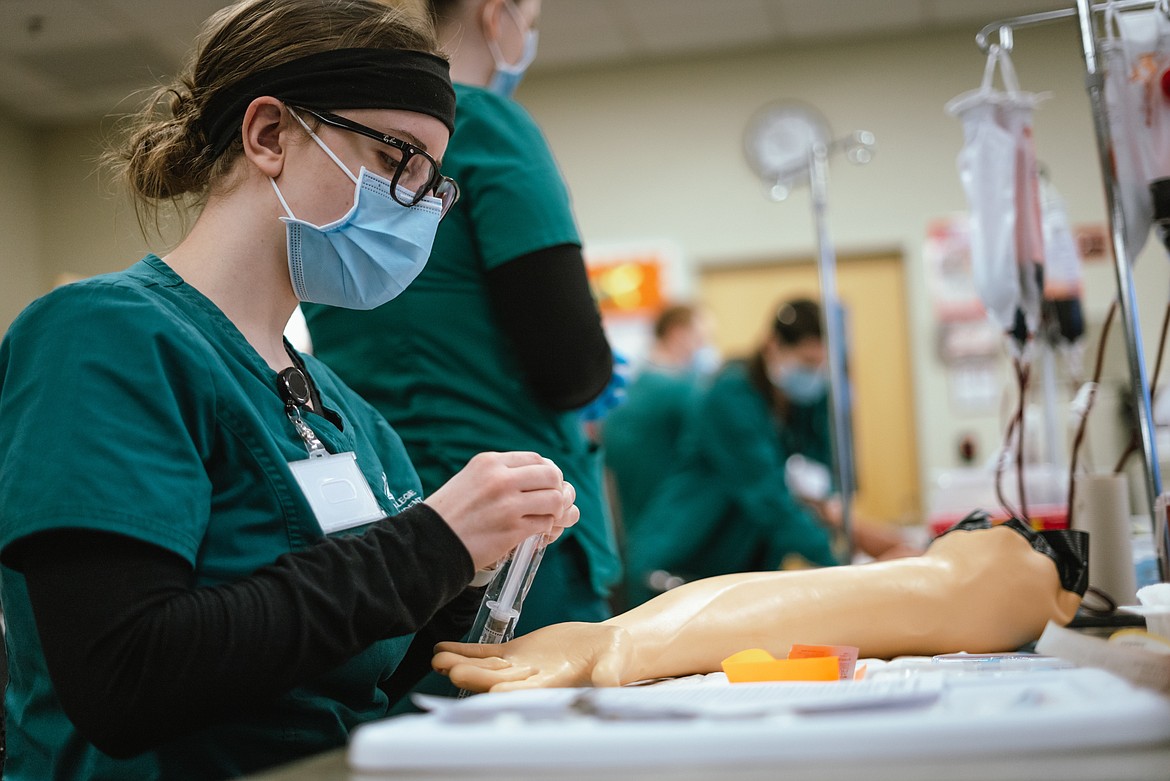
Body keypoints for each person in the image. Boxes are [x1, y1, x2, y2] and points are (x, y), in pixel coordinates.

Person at [0, 1, 580, 778]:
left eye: (430, 181)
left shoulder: (350, 414)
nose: (414, 205)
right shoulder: (100, 337)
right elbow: (124, 675)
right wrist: (429, 544)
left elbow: (348, 685)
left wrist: (466, 571)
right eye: (395, 159)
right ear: (269, 134)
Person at [303, 0, 621, 635]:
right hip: (513, 527)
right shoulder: (487, 127)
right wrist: (593, 383)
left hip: (387, 522)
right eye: (530, 19)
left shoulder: (343, 157)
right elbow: (571, 367)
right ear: (496, 13)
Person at [433, 516, 1087, 692]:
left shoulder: (1004, 585)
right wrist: (618, 636)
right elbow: (793, 600)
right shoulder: (995, 578)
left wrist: (622, 641)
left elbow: (831, 600)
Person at [622, 297, 917, 607]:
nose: (814, 373)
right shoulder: (729, 398)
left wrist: (868, 539)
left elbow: (820, 479)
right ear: (773, 346)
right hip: (682, 562)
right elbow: (769, 498)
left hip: (739, 567)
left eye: (822, 365)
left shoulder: (806, 401)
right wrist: (850, 566)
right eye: (806, 362)